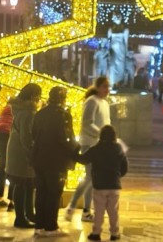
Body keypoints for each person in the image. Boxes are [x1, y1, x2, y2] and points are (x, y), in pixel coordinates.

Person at [31, 87, 79, 237]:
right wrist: (76, 149)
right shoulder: (63, 115)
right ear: (63, 98)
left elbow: (33, 134)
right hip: (56, 160)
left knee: (41, 192)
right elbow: (66, 138)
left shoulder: (40, 114)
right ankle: (51, 227)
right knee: (54, 193)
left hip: (39, 159)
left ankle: (39, 226)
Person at [65, 76, 111, 222]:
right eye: (104, 86)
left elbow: (106, 123)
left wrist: (109, 137)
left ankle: (86, 210)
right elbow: (87, 123)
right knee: (90, 177)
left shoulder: (104, 103)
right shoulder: (91, 101)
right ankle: (74, 207)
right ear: (97, 87)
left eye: (107, 86)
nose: (106, 89)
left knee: (93, 178)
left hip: (99, 144)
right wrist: (102, 134)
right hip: (90, 144)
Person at [77, 125, 128, 241]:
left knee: (98, 211)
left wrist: (75, 150)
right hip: (114, 185)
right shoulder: (118, 148)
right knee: (113, 211)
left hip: (100, 186)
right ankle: (114, 233)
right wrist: (118, 176)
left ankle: (96, 233)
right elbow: (124, 167)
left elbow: (83, 159)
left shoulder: (96, 148)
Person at [6, 83, 42, 229]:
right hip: (21, 154)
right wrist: (32, 154)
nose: (40, 98)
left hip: (18, 151)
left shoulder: (22, 110)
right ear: (33, 96)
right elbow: (26, 137)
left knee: (28, 184)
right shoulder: (27, 113)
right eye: (39, 95)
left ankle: (29, 214)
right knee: (21, 184)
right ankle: (20, 218)